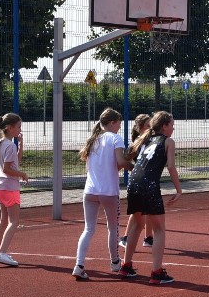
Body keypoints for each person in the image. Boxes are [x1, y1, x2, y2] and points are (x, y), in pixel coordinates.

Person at [119, 111, 182, 284]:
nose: (173, 128)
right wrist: (179, 190)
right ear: (164, 126)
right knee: (159, 229)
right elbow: (171, 166)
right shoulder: (168, 141)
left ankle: (126, 266)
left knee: (137, 225)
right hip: (148, 185)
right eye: (171, 124)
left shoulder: (145, 140)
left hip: (133, 184)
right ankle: (156, 272)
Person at [72, 108, 134, 280]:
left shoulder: (93, 140)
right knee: (112, 228)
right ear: (113, 122)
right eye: (119, 123)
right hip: (108, 191)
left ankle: (79, 264)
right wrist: (136, 168)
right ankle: (115, 262)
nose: (120, 127)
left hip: (90, 191)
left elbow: (106, 165)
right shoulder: (115, 138)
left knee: (88, 229)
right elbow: (121, 162)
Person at [0, 113, 28, 267]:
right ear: (9, 128)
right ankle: (2, 253)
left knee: (4, 220)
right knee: (14, 221)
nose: (20, 130)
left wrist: (21, 144)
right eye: (18, 127)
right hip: (9, 188)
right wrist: (22, 174)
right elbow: (8, 169)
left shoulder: (2, 143)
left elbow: (15, 162)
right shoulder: (9, 146)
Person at [120, 113, 153, 249]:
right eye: (147, 126)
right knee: (138, 211)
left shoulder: (151, 140)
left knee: (150, 209)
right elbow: (125, 158)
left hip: (149, 180)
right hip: (141, 182)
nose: (150, 128)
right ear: (140, 128)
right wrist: (135, 170)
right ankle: (126, 238)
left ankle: (148, 237)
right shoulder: (140, 142)